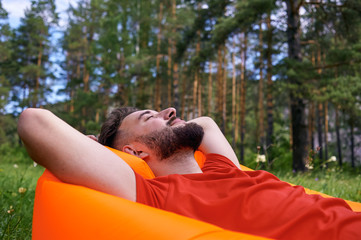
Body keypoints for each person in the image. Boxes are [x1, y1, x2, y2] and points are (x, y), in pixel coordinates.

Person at [18, 107, 361, 240]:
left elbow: (207, 125)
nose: (171, 110)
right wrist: (100, 150)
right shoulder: (154, 197)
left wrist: (164, 126)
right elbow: (34, 122)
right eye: (149, 115)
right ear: (135, 152)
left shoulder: (222, 167)